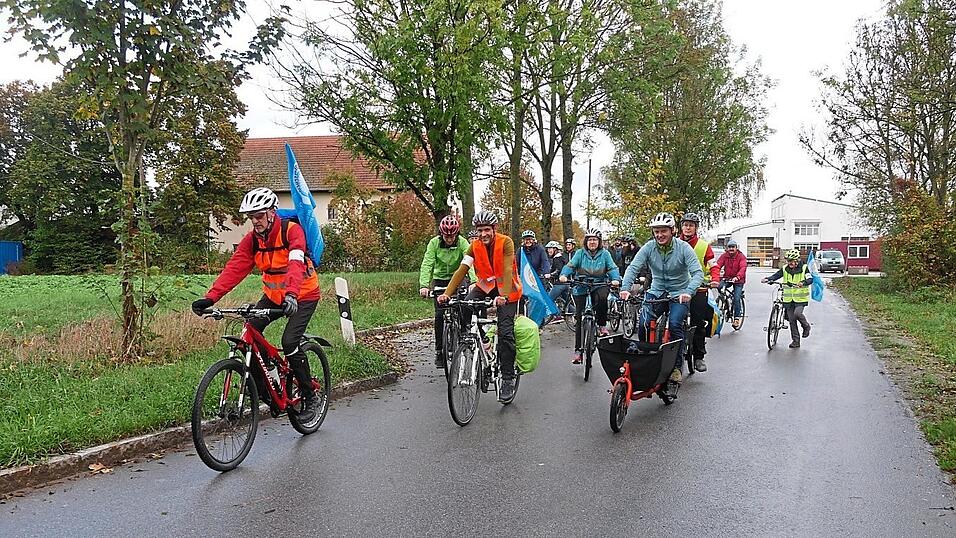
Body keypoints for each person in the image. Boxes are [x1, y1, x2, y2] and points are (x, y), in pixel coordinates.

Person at [191, 187, 322, 421]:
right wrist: (210, 298)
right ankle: (270, 386)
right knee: (248, 333)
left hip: (302, 295)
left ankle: (310, 395)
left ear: (272, 212)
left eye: (259, 215)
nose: (255, 221)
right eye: (251, 217)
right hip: (273, 297)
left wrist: (292, 295)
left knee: (289, 341)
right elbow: (234, 269)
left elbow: (295, 264)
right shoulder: (252, 240)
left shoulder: (292, 231)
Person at [438, 211, 522, 403]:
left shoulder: (506, 242)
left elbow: (507, 269)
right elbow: (462, 270)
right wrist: (447, 294)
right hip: (486, 285)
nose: (483, 234)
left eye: (486, 230)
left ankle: (507, 377)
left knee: (506, 333)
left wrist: (504, 295)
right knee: (464, 306)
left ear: (494, 229)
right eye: (479, 230)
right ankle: (479, 339)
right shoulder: (474, 246)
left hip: (507, 289)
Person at [620, 212, 703, 393]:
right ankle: (647, 360)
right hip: (657, 291)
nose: (659, 235)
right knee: (643, 323)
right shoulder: (649, 247)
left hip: (679, 293)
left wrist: (689, 292)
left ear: (672, 231)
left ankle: (676, 368)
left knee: (675, 324)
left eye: (663, 231)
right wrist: (625, 288)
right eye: (656, 231)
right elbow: (633, 268)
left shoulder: (683, 248)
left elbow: (697, 273)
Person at [419, 215, 475, 369]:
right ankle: (439, 351)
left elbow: (470, 261)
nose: (449, 239)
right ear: (441, 234)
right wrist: (424, 285)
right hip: (440, 280)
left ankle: (464, 335)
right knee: (439, 315)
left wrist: (474, 281)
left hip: (458, 278)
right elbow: (427, 264)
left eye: (452, 236)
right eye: (446, 236)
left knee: (463, 306)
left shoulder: (462, 242)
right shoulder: (434, 243)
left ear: (456, 234)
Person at [559, 229, 621, 364]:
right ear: (586, 242)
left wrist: (616, 279)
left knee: (603, 298)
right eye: (590, 239)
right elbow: (570, 265)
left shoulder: (605, 254)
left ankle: (601, 325)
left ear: (599, 242)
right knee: (579, 318)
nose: (592, 242)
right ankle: (578, 351)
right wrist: (563, 275)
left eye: (595, 239)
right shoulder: (580, 253)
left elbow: (612, 268)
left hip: (599, 283)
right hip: (582, 284)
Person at [678, 212, 720, 373]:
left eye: (691, 225)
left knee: (698, 322)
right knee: (673, 321)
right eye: (685, 225)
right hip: (678, 288)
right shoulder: (674, 243)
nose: (688, 228)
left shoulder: (703, 246)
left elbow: (713, 265)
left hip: (698, 289)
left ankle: (699, 356)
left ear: (696, 228)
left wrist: (715, 279)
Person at [762, 249, 813, 348]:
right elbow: (776, 275)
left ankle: (806, 326)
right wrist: (768, 279)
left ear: (797, 261)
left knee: (797, 314)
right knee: (792, 320)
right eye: (788, 261)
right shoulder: (785, 268)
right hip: (788, 299)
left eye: (791, 261)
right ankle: (796, 341)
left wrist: (803, 282)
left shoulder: (804, 268)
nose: (789, 263)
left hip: (800, 298)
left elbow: (810, 279)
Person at [716, 239, 747, 328]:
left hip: (738, 280)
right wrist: (714, 275)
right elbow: (718, 265)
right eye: (729, 247)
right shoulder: (724, 256)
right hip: (727, 278)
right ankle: (725, 301)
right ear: (727, 248)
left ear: (736, 248)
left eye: (733, 247)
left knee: (736, 298)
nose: (731, 249)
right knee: (719, 286)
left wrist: (737, 277)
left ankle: (736, 318)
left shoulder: (741, 257)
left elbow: (743, 268)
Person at [543, 240, 569, 306]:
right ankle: (574, 311)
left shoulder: (557, 258)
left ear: (555, 249)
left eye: (550, 249)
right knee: (567, 304)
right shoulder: (562, 258)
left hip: (559, 284)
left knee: (548, 300)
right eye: (548, 249)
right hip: (566, 284)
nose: (548, 250)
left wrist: (550, 275)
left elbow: (558, 270)